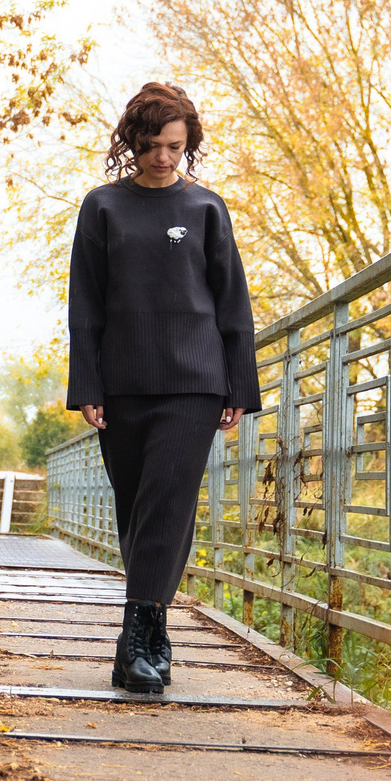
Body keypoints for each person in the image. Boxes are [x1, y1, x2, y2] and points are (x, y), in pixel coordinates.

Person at [65, 82, 260, 695]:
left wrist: (238, 383)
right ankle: (154, 634)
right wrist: (87, 381)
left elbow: (234, 303)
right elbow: (85, 303)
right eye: (151, 146)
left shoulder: (206, 208)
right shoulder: (102, 207)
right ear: (132, 143)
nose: (163, 158)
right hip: (122, 381)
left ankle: (135, 638)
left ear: (189, 143)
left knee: (169, 500)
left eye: (175, 146)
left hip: (194, 382)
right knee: (138, 508)